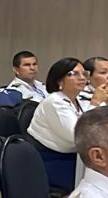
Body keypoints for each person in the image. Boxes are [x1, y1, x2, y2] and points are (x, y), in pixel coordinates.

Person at [26, 57, 91, 190]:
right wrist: (96, 104)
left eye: (84, 73)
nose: (82, 78)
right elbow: (77, 135)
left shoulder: (80, 100)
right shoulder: (55, 102)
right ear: (60, 80)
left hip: (73, 156)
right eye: (74, 74)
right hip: (50, 159)